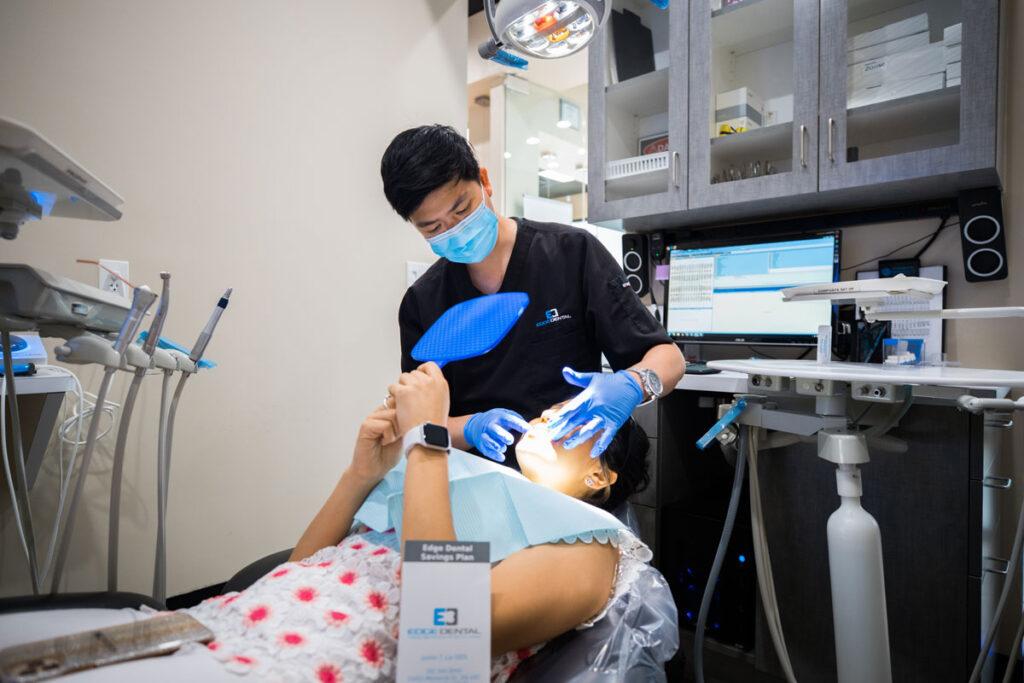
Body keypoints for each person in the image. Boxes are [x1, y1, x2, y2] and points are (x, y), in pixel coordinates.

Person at [0, 364, 671, 683]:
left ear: (601, 476)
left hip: (299, 667)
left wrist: (429, 441)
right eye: (550, 409)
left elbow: (443, 631)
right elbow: (300, 574)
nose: (546, 417)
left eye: (571, 418)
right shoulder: (474, 492)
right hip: (225, 627)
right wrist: (360, 473)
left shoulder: (589, 546)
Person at [381, 125, 685, 464]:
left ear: (484, 180)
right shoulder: (423, 302)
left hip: (573, 475)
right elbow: (419, 422)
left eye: (462, 210)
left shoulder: (572, 254)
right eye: (434, 228)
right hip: (483, 482)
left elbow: (669, 358)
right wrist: (470, 428)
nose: (455, 231)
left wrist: (633, 383)